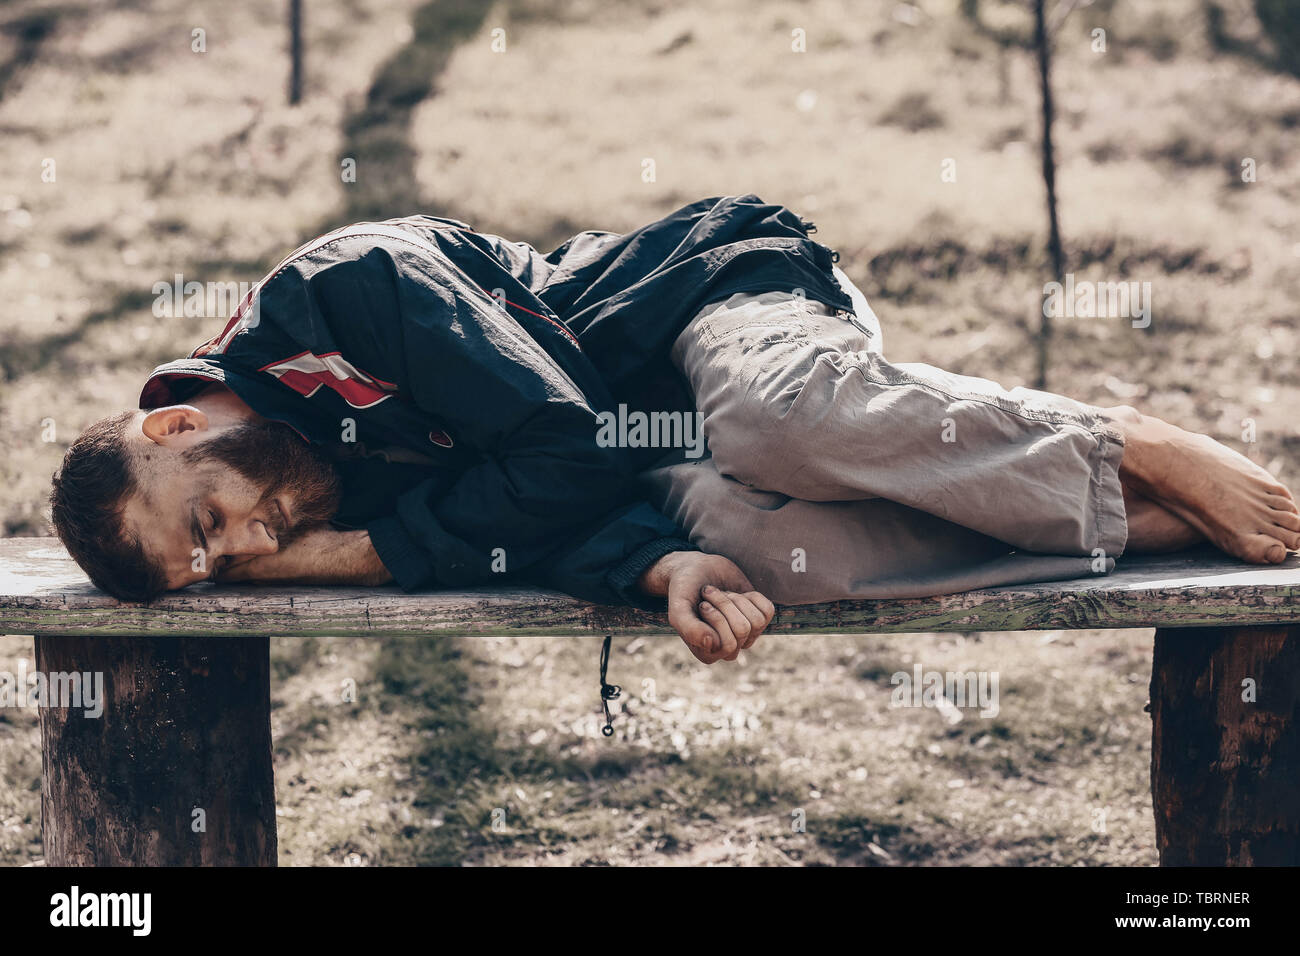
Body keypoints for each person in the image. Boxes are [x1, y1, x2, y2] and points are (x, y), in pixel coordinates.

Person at [49, 195, 1299, 666]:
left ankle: (1110, 437)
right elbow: (509, 529)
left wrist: (366, 556)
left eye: (205, 525)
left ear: (172, 421)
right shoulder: (308, 482)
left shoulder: (342, 288)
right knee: (791, 559)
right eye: (209, 568)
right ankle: (1141, 526)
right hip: (656, 451)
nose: (248, 549)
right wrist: (658, 567)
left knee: (768, 423)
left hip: (723, 303)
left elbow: (566, 447)